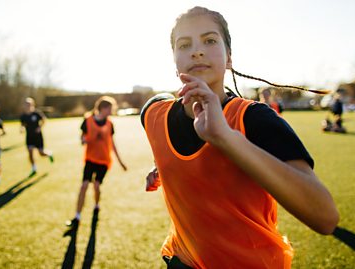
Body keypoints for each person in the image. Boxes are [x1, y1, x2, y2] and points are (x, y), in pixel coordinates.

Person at [141, 6, 339, 268]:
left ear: (229, 57)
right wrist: (166, 167)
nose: (196, 51)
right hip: (181, 260)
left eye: (210, 40)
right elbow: (179, 148)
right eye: (184, 44)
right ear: (174, 59)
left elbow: (325, 217)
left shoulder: (256, 119)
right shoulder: (154, 113)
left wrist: (226, 137)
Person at [66, 96, 127, 227]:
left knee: (97, 186)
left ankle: (96, 205)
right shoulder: (87, 120)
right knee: (84, 186)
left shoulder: (110, 124)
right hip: (90, 159)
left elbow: (112, 144)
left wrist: (120, 162)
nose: (111, 111)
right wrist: (83, 140)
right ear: (103, 108)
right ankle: (77, 217)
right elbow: (82, 137)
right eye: (110, 109)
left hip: (104, 161)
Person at [20, 97, 53, 176]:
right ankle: (34, 168)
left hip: (38, 137)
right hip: (29, 137)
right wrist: (22, 128)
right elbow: (23, 125)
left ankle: (49, 154)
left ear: (32, 105)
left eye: (29, 104)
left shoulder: (36, 113)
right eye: (26, 104)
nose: (27, 106)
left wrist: (40, 127)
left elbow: (44, 119)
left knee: (41, 153)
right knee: (30, 153)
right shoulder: (23, 116)